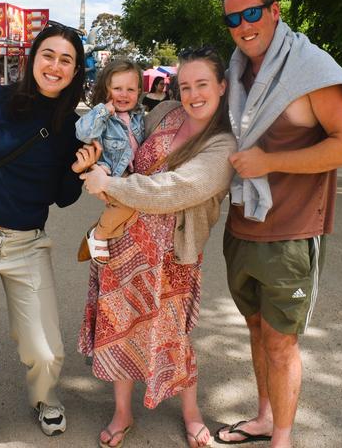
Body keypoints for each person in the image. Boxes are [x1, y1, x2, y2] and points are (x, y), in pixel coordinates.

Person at [214, 0, 342, 448]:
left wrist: (271, 162)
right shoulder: (238, 71)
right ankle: (264, 418)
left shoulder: (310, 68)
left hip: (291, 232)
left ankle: (282, 440)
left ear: (275, 11)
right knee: (257, 330)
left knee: (281, 343)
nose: (243, 26)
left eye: (251, 13)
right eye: (232, 19)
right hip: (244, 224)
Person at [0, 21, 99, 448]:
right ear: (33, 59)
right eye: (48, 55)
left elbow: (61, 198)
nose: (55, 65)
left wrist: (79, 171)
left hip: (27, 244)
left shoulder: (73, 126)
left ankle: (44, 398)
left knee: (46, 350)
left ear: (75, 70)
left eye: (67, 60)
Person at [78, 47, 237, 448]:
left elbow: (176, 190)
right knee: (118, 326)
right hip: (123, 241)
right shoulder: (166, 112)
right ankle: (122, 411)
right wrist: (99, 164)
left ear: (222, 86)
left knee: (172, 336)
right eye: (185, 85)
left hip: (171, 256)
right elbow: (128, 150)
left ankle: (191, 413)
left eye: (202, 84)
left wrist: (111, 186)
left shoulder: (222, 144)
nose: (193, 94)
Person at [75, 59, 145, 263]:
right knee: (126, 206)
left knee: (134, 211)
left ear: (139, 91)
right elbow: (83, 132)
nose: (124, 94)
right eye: (117, 88)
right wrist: (103, 111)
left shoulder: (138, 116)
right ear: (107, 90)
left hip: (131, 173)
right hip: (109, 171)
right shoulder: (104, 116)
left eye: (130, 89)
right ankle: (99, 235)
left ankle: (109, 235)